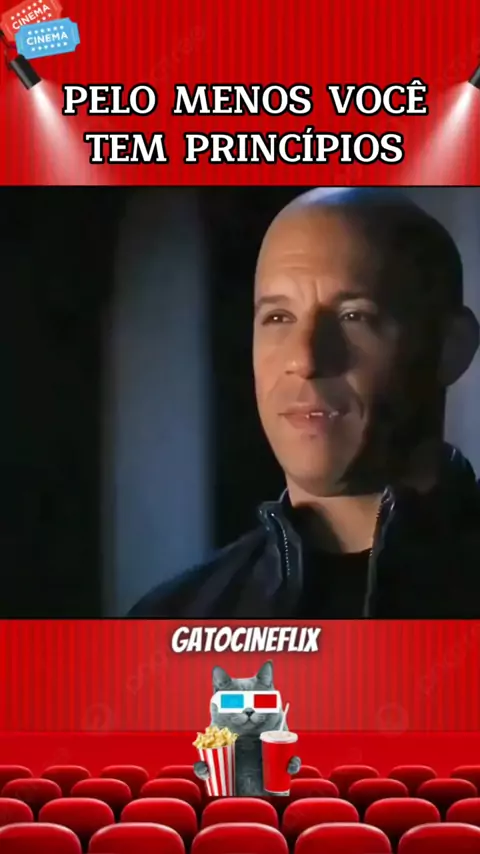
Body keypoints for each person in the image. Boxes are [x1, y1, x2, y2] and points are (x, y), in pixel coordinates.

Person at [128, 188, 480, 619]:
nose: (304, 359)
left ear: (450, 348)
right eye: (278, 318)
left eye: (354, 316)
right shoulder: (171, 619)